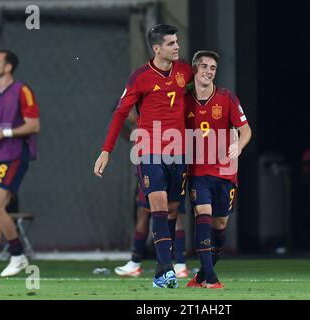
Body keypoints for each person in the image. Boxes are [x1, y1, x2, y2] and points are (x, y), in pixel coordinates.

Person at [94, 24, 193, 288]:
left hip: (179, 151)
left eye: (177, 42)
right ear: (156, 48)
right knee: (157, 206)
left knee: (172, 210)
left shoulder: (184, 70)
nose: (177, 47)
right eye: (171, 43)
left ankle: (163, 270)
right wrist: (106, 151)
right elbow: (119, 114)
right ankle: (167, 269)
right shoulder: (140, 77)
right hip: (149, 150)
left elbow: (201, 91)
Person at [184, 51, 252, 288]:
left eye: (212, 67)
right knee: (202, 215)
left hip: (225, 172)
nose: (208, 71)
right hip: (198, 171)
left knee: (220, 224)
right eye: (204, 66)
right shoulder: (185, 100)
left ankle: (202, 275)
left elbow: (246, 130)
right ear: (195, 70)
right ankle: (211, 279)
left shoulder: (226, 98)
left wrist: (239, 145)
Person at [0, 50, 40, 278]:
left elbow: (33, 125)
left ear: (8, 67)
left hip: (13, 156)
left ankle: (17, 254)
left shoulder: (22, 90)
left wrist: (4, 132)